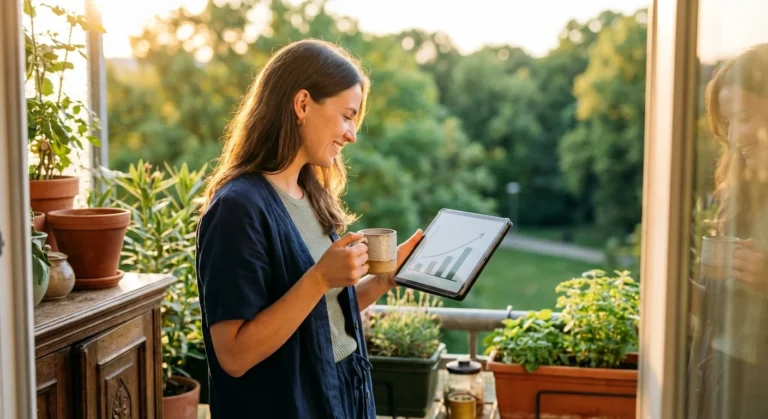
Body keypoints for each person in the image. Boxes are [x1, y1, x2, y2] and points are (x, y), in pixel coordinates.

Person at [195, 39, 423, 418]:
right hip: (293, 404)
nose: (352, 134)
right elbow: (233, 355)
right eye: (347, 115)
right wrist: (320, 277)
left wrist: (384, 280)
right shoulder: (237, 208)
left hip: (344, 393)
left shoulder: (310, 194)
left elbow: (322, 316)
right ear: (302, 104)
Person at [693, 42, 768, 418]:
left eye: (745, 117)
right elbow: (725, 308)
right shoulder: (736, 196)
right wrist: (680, 297)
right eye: (729, 123)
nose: (737, 136)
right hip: (724, 381)